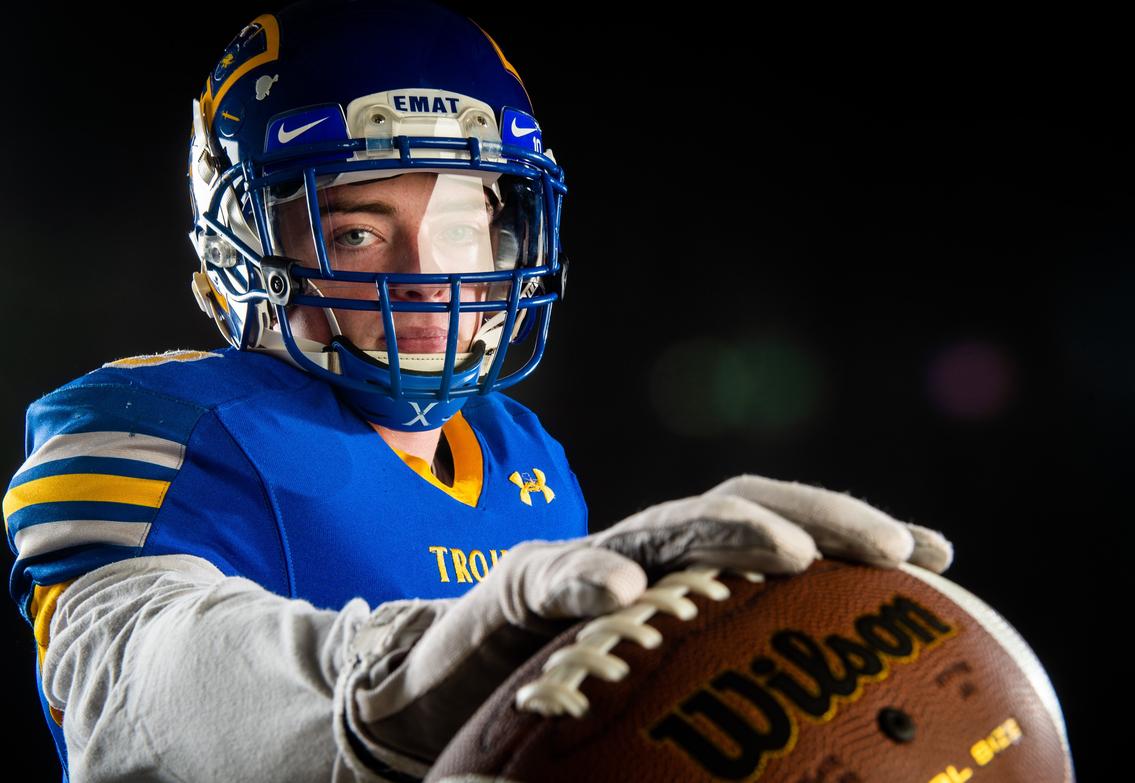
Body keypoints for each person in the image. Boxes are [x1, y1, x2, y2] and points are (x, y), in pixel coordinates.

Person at [2, 1, 954, 781]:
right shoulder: (158, 428)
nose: (428, 277)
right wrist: (405, 681)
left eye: (463, 225)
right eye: (360, 229)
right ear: (242, 242)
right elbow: (138, 684)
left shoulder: (520, 454)